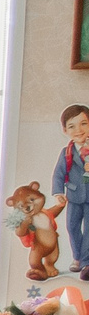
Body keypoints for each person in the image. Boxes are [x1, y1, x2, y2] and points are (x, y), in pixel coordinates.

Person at [55, 104, 89, 276]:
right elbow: (59, 174)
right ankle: (77, 257)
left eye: (84, 123)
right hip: (74, 195)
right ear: (65, 130)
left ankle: (86, 262)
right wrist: (58, 192)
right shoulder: (66, 152)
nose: (79, 130)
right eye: (72, 126)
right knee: (72, 226)